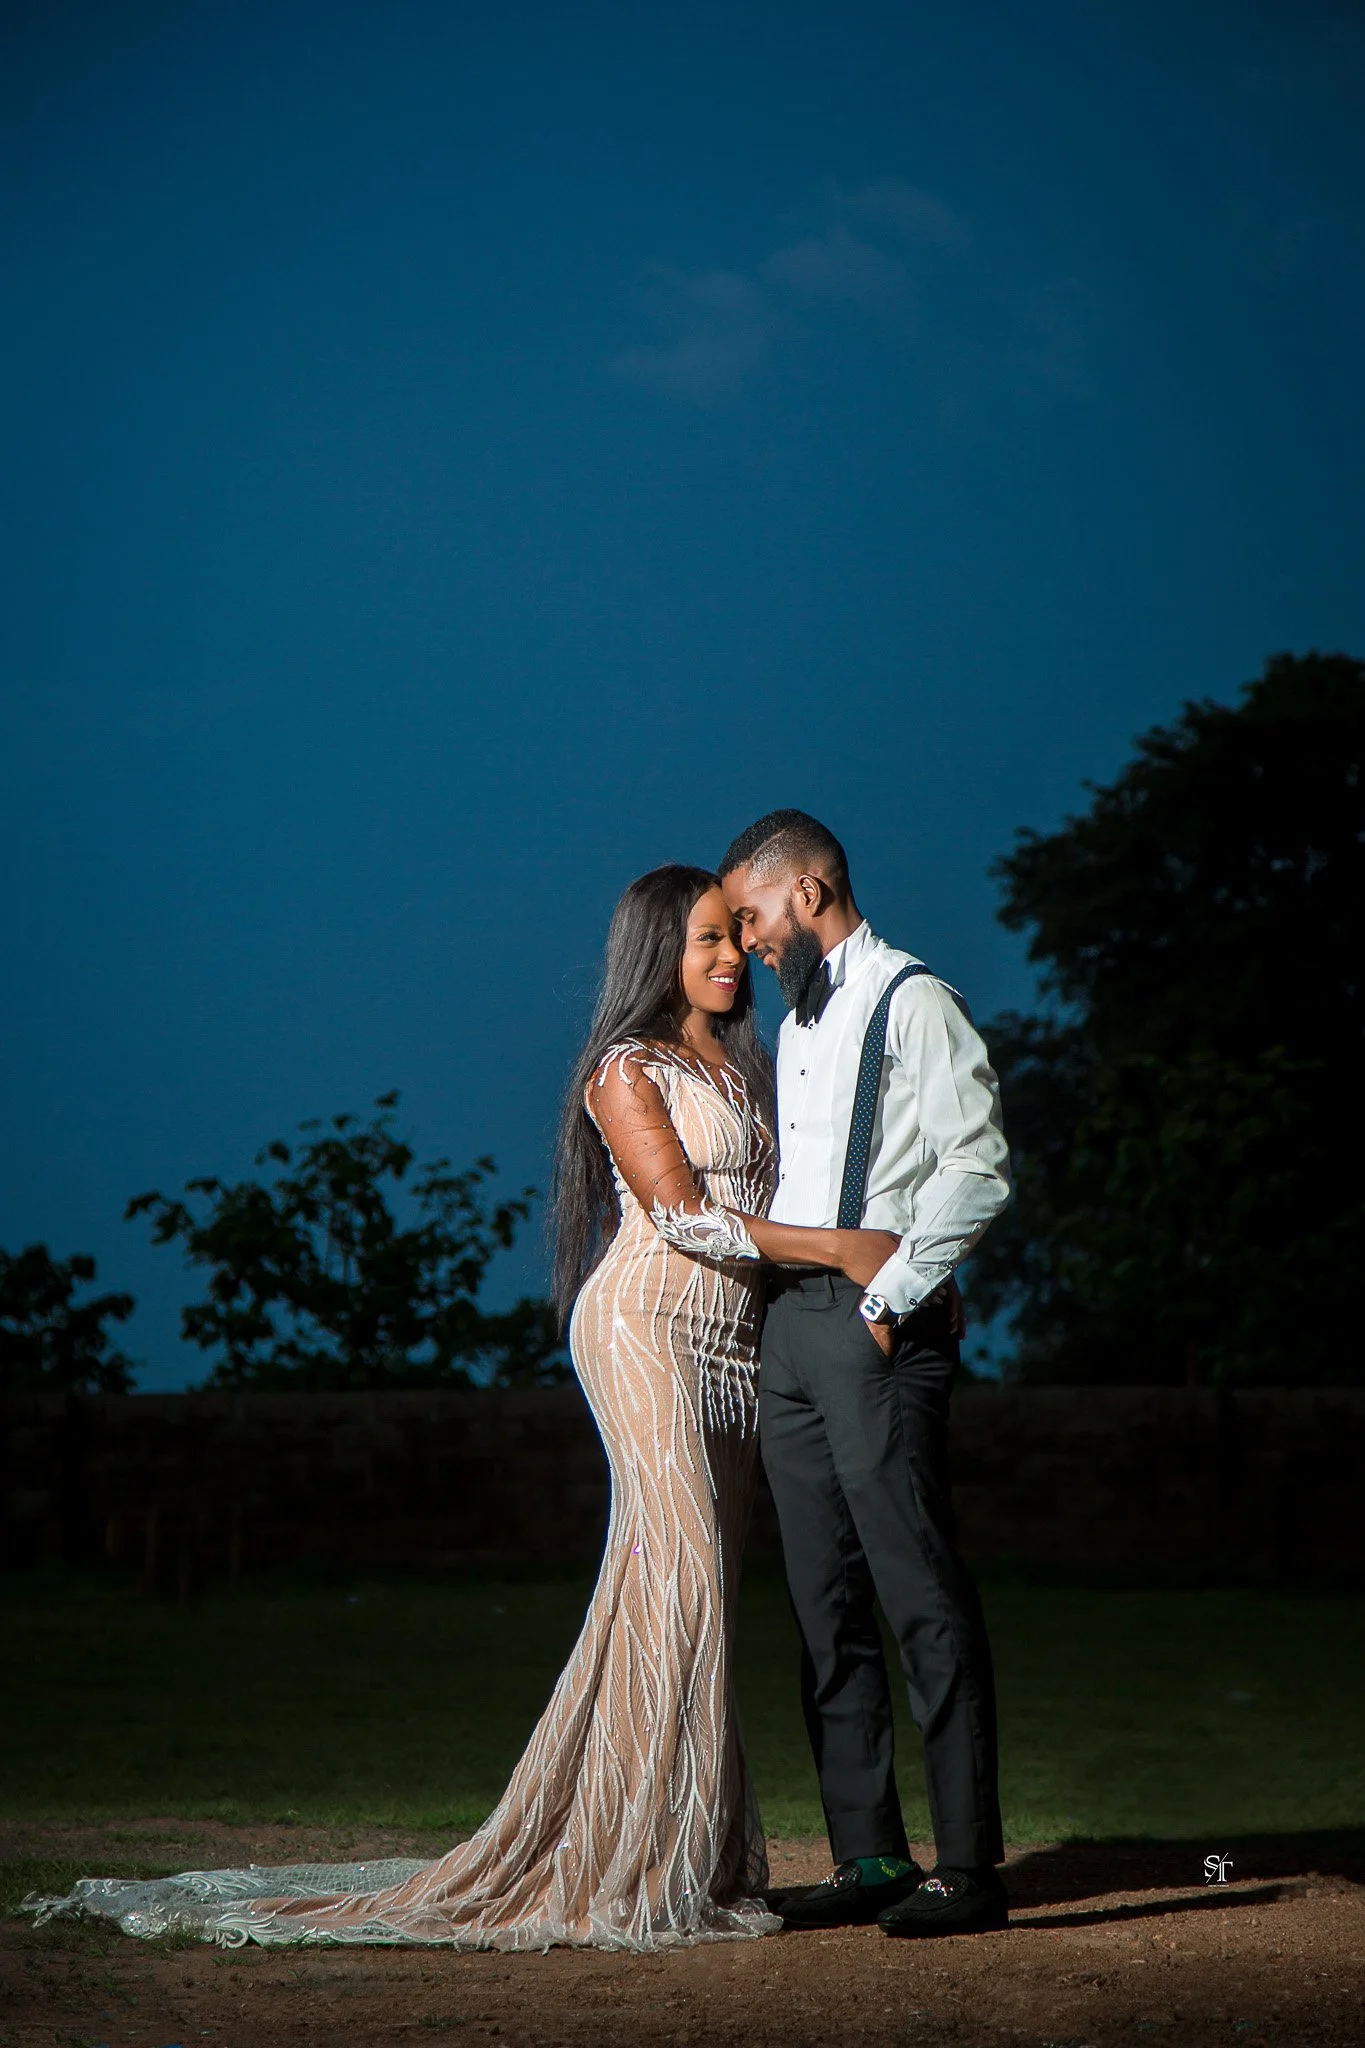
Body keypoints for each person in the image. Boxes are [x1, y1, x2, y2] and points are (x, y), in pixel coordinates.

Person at [26, 864, 900, 1953]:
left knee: (693, 1590)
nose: (730, 956)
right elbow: (688, 1217)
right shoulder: (622, 1069)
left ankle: (685, 1847)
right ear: (653, 952)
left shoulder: (747, 1062)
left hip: (733, 1350)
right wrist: (841, 1249)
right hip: (644, 1330)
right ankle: (625, 1862)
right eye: (706, 938)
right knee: (680, 1579)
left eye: (736, 937)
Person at [719, 810, 1012, 1939]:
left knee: (917, 1590)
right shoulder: (795, 1020)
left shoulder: (915, 999)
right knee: (822, 1597)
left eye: (750, 914)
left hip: (874, 1327)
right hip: (790, 1329)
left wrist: (894, 1297)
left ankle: (969, 1866)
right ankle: (869, 1851)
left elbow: (977, 1165)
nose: (743, 939)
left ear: (810, 890)